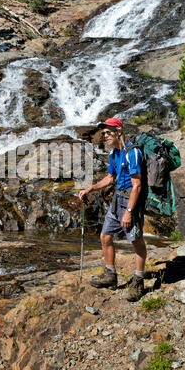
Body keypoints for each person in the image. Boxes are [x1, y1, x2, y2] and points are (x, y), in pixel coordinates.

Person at [79, 117, 147, 302]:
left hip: (130, 200)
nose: (105, 136)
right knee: (105, 236)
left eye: (108, 133)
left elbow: (137, 186)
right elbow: (110, 178)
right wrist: (90, 188)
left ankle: (139, 280)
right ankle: (110, 276)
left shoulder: (131, 153)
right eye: (103, 134)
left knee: (136, 240)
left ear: (118, 132)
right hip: (118, 198)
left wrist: (129, 211)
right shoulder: (114, 154)